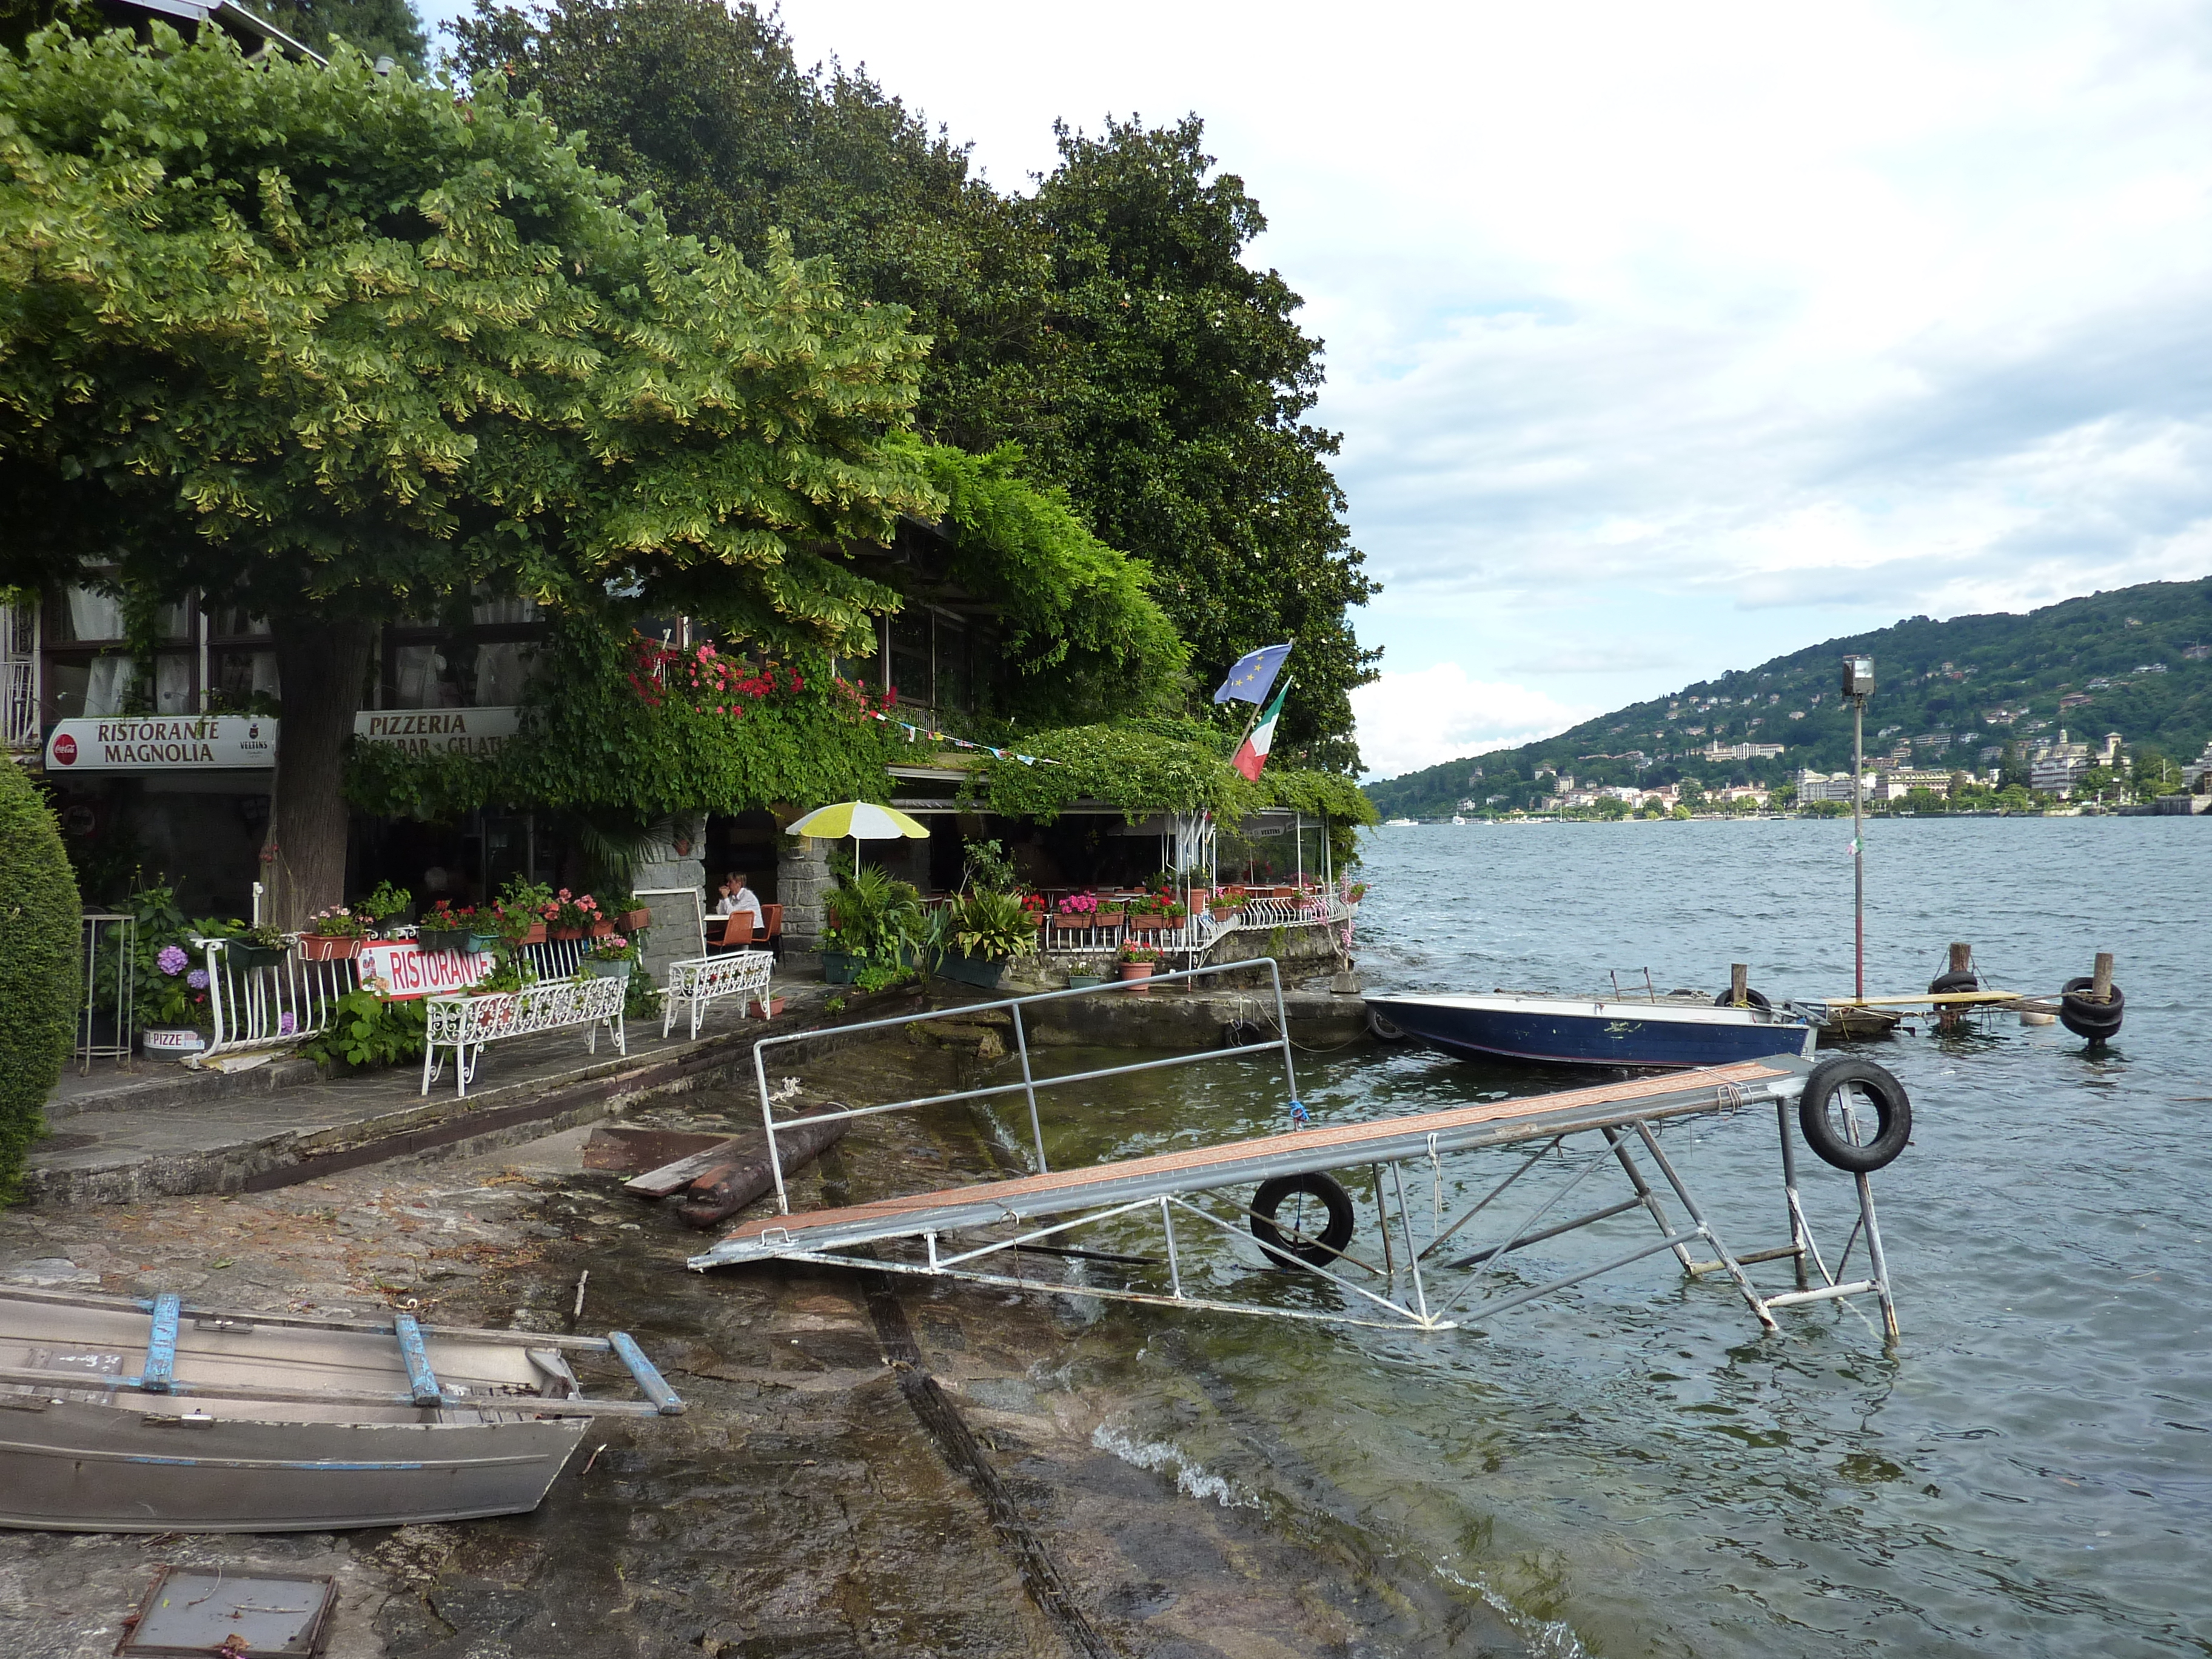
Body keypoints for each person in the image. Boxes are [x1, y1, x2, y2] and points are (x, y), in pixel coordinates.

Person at [713, 871, 763, 937]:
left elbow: (732, 913)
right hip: (742, 928)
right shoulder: (733, 897)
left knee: (721, 936)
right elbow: (720, 912)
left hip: (755, 929)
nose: (728, 884)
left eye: (730, 882)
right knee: (715, 935)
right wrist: (723, 897)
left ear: (738, 884)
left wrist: (726, 897)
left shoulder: (747, 896)